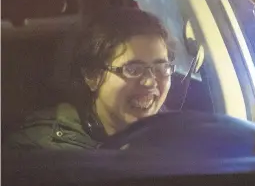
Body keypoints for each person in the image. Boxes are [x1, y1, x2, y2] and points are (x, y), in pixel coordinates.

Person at [6, 8, 175, 150]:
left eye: (161, 68)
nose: (150, 82)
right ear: (92, 76)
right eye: (133, 69)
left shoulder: (180, 135)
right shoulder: (41, 151)